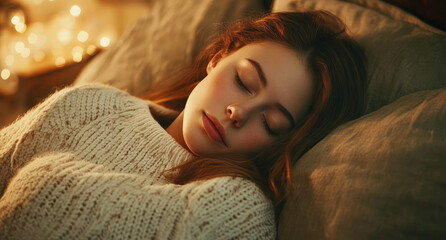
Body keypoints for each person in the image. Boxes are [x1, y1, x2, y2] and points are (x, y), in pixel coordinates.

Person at [0, 10, 367, 239]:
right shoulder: (90, 103)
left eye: (270, 123)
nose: (238, 112)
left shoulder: (236, 206)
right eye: (243, 81)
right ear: (218, 58)